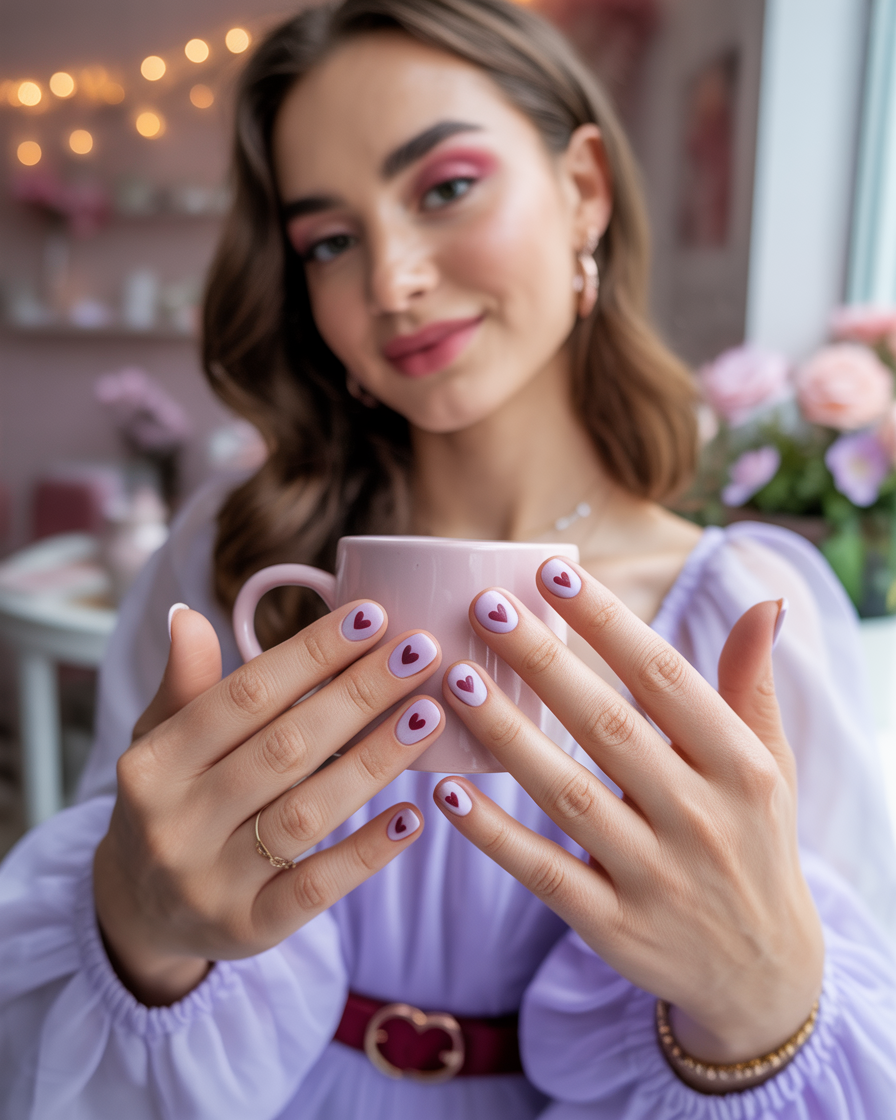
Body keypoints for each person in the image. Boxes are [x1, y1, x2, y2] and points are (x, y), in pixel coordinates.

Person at [2, 1, 896, 1116]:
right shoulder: (229, 561)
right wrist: (133, 929)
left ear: (583, 189)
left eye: (444, 188)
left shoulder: (743, 616)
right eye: (328, 241)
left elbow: (854, 995)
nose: (391, 281)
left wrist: (763, 1008)